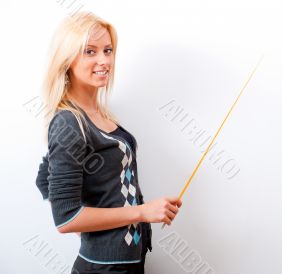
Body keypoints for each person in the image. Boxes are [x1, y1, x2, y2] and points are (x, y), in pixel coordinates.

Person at [35, 11, 182, 274]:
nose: (104, 60)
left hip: (127, 262)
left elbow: (43, 179)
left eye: (108, 50)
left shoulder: (101, 114)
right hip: (105, 268)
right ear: (67, 59)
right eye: (89, 51)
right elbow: (65, 218)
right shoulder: (69, 122)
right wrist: (142, 212)